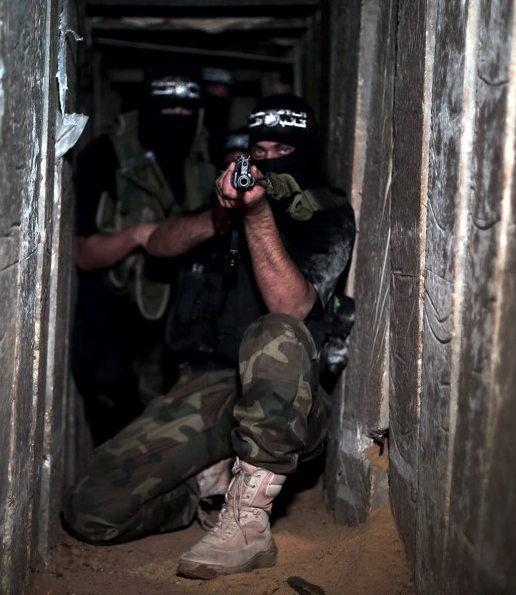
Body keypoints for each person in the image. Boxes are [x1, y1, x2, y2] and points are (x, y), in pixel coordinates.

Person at [62, 92, 357, 580]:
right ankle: (207, 490)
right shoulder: (220, 210)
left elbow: (291, 306)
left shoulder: (325, 215)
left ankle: (248, 523)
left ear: (304, 152)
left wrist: (258, 217)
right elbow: (158, 243)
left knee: (276, 332)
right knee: (90, 510)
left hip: (285, 400)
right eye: (257, 151)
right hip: (205, 389)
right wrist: (222, 216)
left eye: (281, 151)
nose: (267, 160)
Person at [70, 59, 218, 445]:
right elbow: (83, 253)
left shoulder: (204, 156)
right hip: (113, 299)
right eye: (167, 108)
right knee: (108, 387)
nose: (177, 118)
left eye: (187, 108)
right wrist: (139, 236)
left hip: (178, 303)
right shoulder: (105, 157)